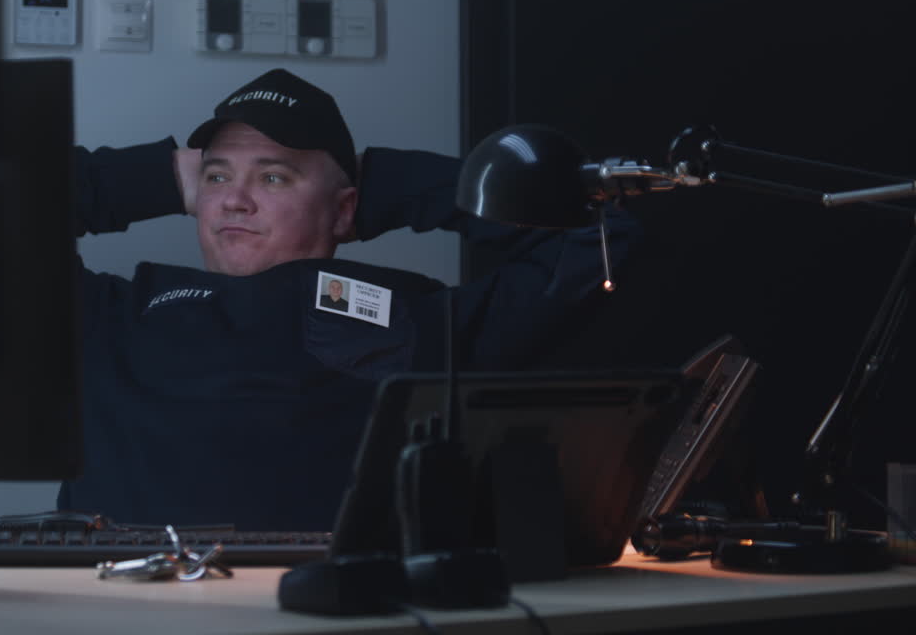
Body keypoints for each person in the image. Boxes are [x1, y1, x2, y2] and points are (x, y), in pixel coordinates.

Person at [62, 69, 638, 531]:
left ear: (344, 209)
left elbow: (601, 240)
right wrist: (157, 177)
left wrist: (386, 187)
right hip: (115, 595)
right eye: (215, 178)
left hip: (316, 599)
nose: (233, 201)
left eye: (273, 178)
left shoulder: (407, 315)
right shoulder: (120, 308)